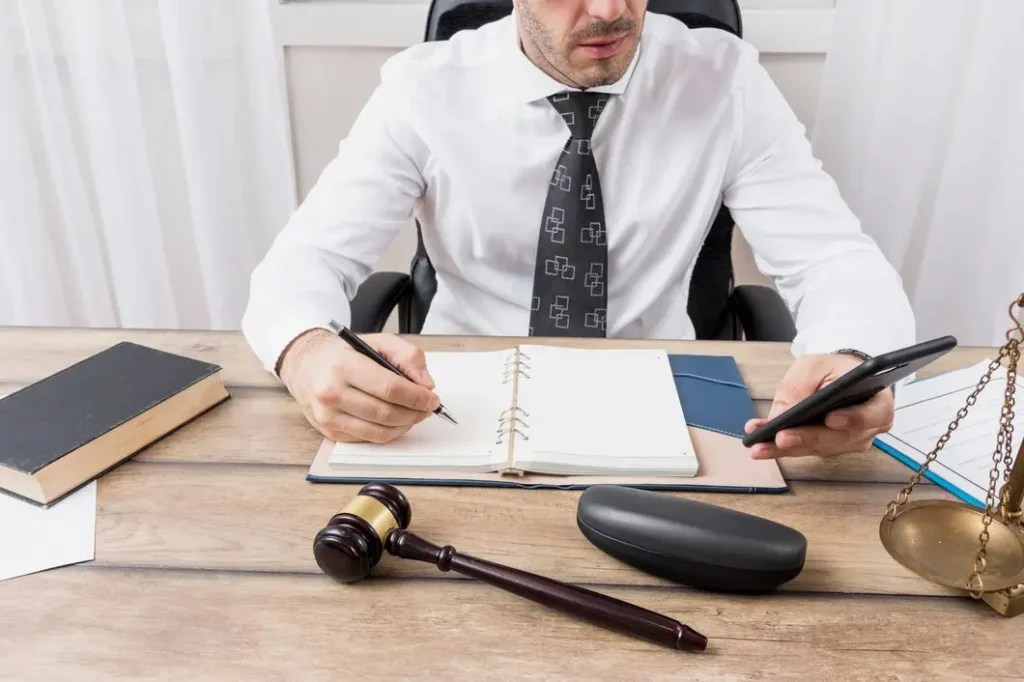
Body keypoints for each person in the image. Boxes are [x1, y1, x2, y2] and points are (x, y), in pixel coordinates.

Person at [241, 0, 915, 461]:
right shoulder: (422, 89)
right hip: (461, 404)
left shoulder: (724, 79)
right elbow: (306, 259)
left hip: (672, 397)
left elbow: (832, 257)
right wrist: (303, 351)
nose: (610, 11)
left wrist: (852, 357)